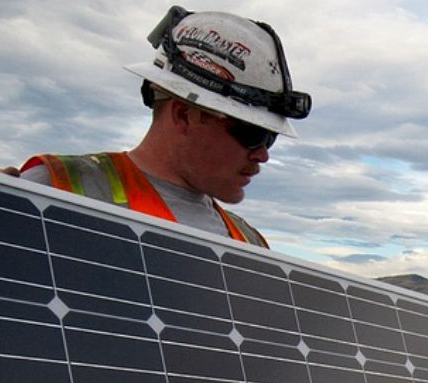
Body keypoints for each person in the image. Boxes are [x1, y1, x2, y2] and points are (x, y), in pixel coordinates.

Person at [16, 7, 311, 247]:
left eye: (270, 138)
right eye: (252, 134)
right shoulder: (55, 189)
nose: (262, 155)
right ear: (184, 115)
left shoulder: (251, 245)